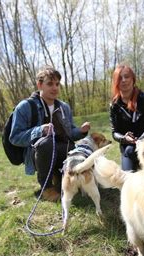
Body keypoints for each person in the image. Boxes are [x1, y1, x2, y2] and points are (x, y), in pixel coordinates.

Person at [9, 66, 90, 202]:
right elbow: (15, 137)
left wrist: (81, 131)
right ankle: (46, 188)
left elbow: (70, 133)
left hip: (63, 151)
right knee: (46, 144)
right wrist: (40, 130)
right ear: (39, 84)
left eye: (57, 84)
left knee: (74, 148)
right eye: (50, 84)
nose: (55, 88)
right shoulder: (25, 107)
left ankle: (60, 176)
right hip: (39, 154)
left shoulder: (64, 107)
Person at [109, 64, 144, 171]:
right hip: (127, 148)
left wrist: (140, 142)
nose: (124, 80)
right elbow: (114, 132)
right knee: (127, 180)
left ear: (133, 79)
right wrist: (124, 138)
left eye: (127, 76)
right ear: (116, 82)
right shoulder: (114, 105)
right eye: (120, 78)